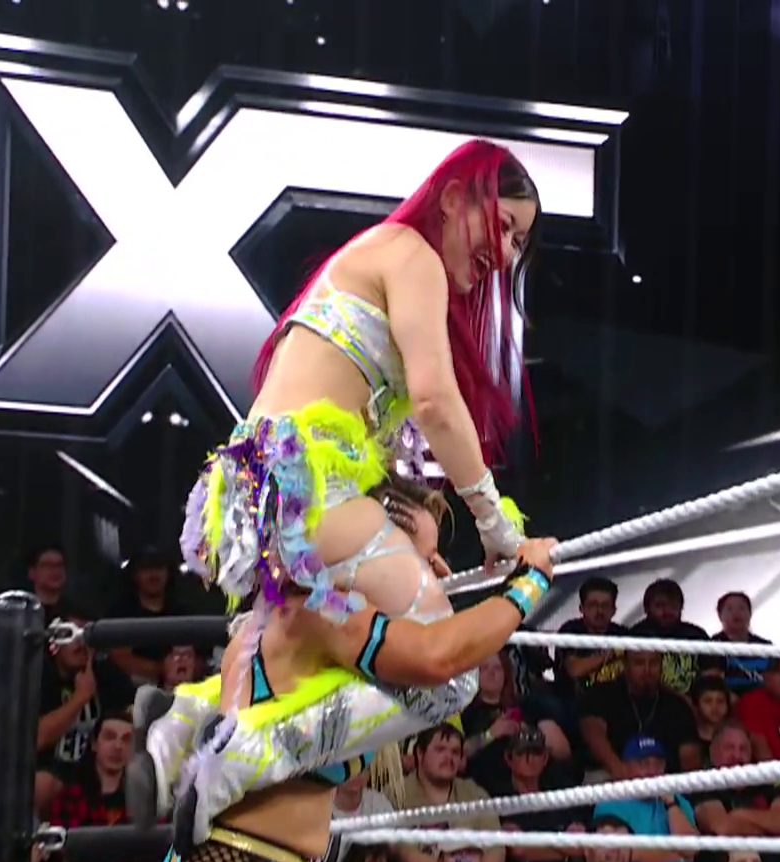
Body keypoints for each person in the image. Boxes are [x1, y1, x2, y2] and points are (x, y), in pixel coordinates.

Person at [155, 138, 547, 820]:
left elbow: (383, 444)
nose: (509, 254)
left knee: (314, 647)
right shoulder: (412, 253)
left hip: (254, 496)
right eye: (506, 226)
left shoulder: (377, 258)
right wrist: (497, 525)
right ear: (456, 198)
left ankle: (189, 717)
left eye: (520, 241)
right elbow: (436, 402)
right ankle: (251, 752)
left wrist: (426, 547)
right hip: (308, 489)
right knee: (446, 679)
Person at [143, 479, 558, 862]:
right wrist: (530, 581)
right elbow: (443, 659)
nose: (434, 571)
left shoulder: (306, 625)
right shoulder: (321, 608)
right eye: (421, 554)